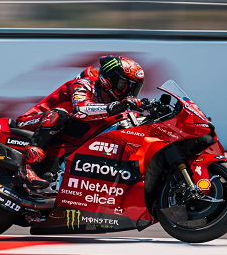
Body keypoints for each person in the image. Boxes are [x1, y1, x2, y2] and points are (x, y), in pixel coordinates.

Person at [14, 55, 145, 189]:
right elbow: (81, 110)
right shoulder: (85, 83)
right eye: (125, 86)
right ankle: (27, 167)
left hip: (65, 132)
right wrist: (117, 106)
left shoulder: (114, 100)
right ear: (109, 80)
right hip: (32, 120)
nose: (130, 92)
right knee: (59, 115)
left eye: (135, 88)